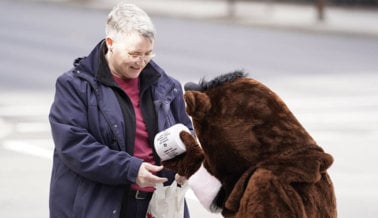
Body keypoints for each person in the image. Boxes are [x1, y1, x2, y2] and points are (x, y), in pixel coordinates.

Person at [48, 2, 193, 217]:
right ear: (110, 43)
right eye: (134, 53)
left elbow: (186, 132)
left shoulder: (166, 86)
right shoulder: (74, 86)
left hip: (158, 205)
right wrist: (131, 170)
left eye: (148, 53)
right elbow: (74, 146)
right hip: (100, 207)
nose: (141, 62)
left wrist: (188, 161)